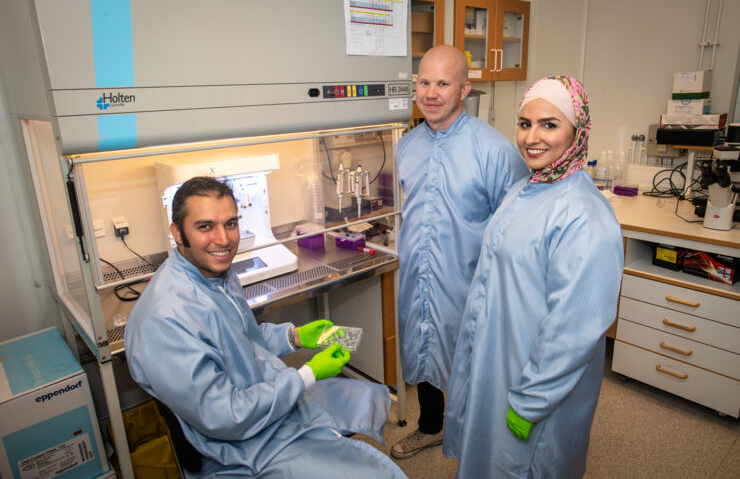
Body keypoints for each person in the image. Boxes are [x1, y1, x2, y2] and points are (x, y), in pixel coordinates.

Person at [124, 177, 406, 478]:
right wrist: (307, 373)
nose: (223, 240)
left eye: (230, 224)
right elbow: (226, 415)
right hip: (240, 446)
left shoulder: (217, 274)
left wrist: (294, 336)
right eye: (205, 226)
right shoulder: (166, 319)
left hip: (263, 394)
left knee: (368, 396)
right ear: (177, 232)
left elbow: (243, 340)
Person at [443, 75, 624, 478]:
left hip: (538, 386)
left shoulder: (585, 216)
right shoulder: (525, 189)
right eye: (525, 124)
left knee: (524, 465)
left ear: (577, 132)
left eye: (549, 124)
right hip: (499, 362)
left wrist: (530, 401)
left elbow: (574, 331)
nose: (532, 137)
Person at [392, 45, 529, 459]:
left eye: (443, 83)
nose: (431, 93)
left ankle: (478, 444)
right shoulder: (407, 145)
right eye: (424, 82)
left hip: (470, 280)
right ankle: (431, 426)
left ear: (464, 89)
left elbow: (518, 224)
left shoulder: (495, 150)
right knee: (424, 346)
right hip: (419, 275)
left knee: (475, 364)